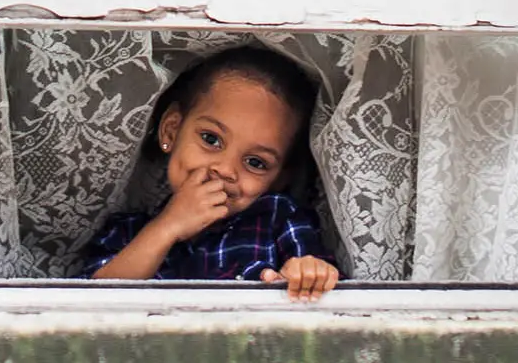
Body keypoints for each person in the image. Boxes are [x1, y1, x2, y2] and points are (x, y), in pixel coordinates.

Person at [77, 46, 343, 300]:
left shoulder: (277, 220)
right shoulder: (126, 232)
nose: (225, 170)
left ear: (279, 178)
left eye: (255, 162)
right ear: (171, 130)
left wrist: (307, 274)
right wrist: (168, 226)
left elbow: (317, 276)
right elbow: (94, 302)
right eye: (211, 139)